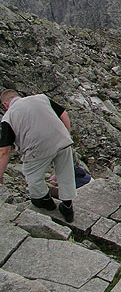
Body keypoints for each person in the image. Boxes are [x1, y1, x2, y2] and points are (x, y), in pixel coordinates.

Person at [0, 90, 76, 222]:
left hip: (37, 149)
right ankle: (67, 207)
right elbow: (64, 114)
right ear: (19, 96)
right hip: (62, 139)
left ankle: (46, 201)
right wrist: (66, 135)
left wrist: (0, 176)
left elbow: (4, 151)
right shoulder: (41, 98)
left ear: (6, 105)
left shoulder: (8, 117)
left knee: (32, 175)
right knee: (65, 172)